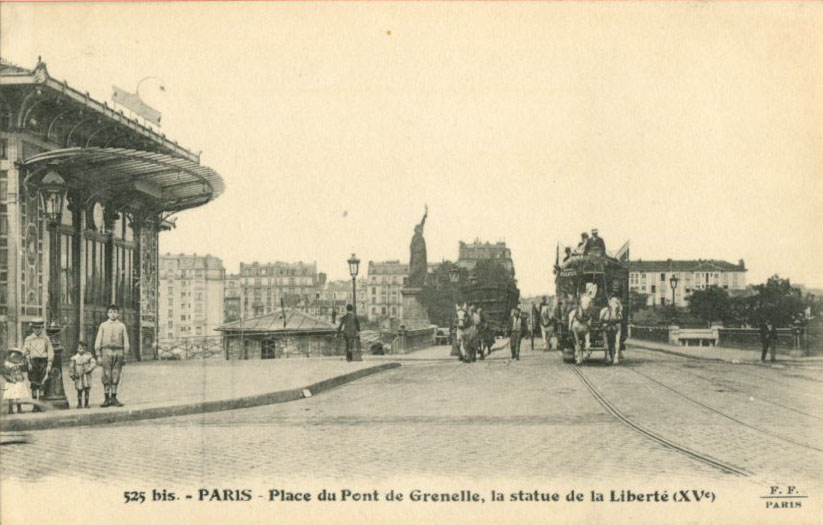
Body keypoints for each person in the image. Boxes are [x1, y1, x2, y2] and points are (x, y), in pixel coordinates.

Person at [95, 304, 130, 407]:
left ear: (118, 314)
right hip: (106, 351)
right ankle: (106, 398)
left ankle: (114, 397)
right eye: (110, 312)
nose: (113, 314)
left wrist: (125, 355)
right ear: (107, 314)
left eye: (115, 312)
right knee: (106, 374)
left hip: (118, 351)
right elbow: (98, 339)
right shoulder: (103, 325)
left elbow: (126, 340)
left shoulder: (122, 326)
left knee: (116, 374)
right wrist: (98, 355)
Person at [22, 319, 53, 411]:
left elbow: (50, 351)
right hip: (33, 362)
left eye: (39, 328)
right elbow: (25, 351)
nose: (37, 330)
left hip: (43, 361)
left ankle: (41, 405)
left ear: (42, 328)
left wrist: (49, 364)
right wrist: (28, 362)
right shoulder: (28, 339)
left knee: (42, 382)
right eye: (35, 328)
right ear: (32, 328)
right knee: (34, 383)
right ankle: (35, 406)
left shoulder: (46, 339)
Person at [68, 341, 97, 409]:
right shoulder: (74, 358)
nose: (82, 350)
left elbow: (93, 363)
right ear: (77, 349)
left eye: (83, 348)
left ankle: (86, 403)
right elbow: (71, 367)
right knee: (79, 390)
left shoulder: (88, 356)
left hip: (86, 375)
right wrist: (72, 374)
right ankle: (79, 403)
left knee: (87, 390)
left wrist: (89, 369)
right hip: (78, 375)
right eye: (80, 348)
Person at [2, 349, 30, 414]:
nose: (15, 358)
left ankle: (19, 408)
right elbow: (5, 373)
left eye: (17, 357)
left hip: (19, 380)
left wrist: (25, 360)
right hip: (11, 381)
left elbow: (24, 369)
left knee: (19, 395)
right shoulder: (7, 364)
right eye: (13, 357)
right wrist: (10, 379)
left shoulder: (19, 364)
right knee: (11, 395)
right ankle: (10, 409)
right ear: (9, 356)